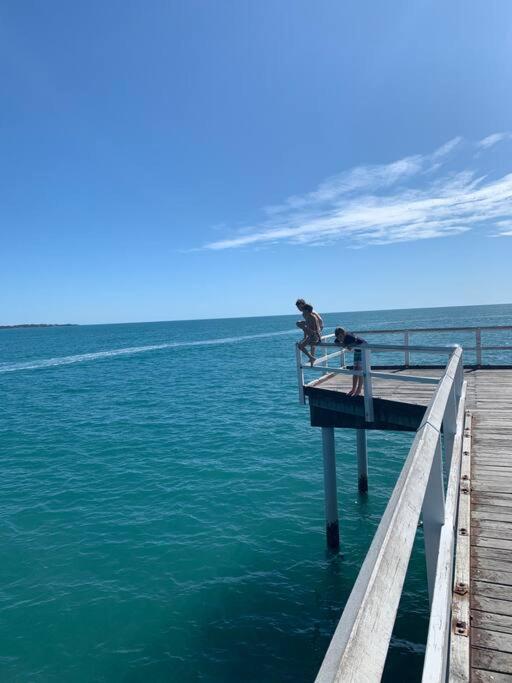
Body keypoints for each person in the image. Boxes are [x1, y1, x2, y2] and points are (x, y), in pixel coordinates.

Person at [334, 327, 367, 397]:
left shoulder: (349, 337)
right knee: (355, 370)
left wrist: (347, 345)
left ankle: (359, 389)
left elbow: (354, 343)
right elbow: (336, 342)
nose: (340, 338)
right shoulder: (339, 338)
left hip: (363, 349)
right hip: (357, 351)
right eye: (338, 337)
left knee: (359, 370)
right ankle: (353, 389)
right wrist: (343, 345)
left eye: (341, 336)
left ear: (344, 334)